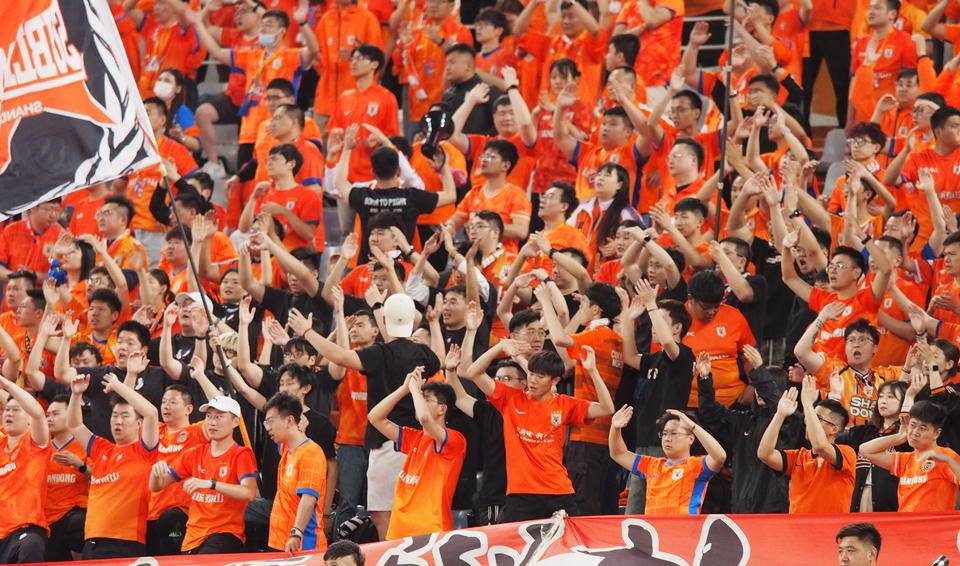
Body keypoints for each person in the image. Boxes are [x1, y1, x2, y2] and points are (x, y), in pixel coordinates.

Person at [287, 293, 440, 541]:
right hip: (417, 442)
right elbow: (439, 360)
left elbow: (341, 357)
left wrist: (307, 332)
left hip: (388, 442)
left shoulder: (380, 353)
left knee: (382, 514)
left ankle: (390, 555)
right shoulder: (421, 352)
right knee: (407, 509)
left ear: (384, 321)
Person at [462, 347, 614, 522]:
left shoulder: (565, 404)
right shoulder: (510, 398)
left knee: (574, 537)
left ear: (555, 380)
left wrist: (593, 371)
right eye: (531, 374)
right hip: (521, 494)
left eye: (540, 376)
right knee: (510, 539)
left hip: (558, 491)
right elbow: (473, 372)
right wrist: (500, 348)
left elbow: (607, 408)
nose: (533, 380)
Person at [66, 370, 160, 559]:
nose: (118, 421)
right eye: (115, 415)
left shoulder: (144, 451)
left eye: (125, 416)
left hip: (126, 543)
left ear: (139, 424)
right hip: (92, 542)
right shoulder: (102, 449)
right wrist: (76, 395)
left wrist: (118, 386)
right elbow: (74, 426)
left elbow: (151, 414)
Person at [148, 394, 259, 554]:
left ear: (235, 422)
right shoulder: (195, 453)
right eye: (209, 416)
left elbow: (249, 493)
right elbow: (157, 486)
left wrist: (211, 484)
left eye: (219, 417)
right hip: (192, 538)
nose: (212, 422)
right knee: (168, 531)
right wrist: (155, 472)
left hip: (225, 534)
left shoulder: (241, 454)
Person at [367, 367, 465, 539]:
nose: (418, 401)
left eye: (426, 399)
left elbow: (425, 419)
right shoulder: (414, 437)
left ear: (442, 409)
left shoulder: (455, 440)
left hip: (431, 531)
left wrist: (415, 390)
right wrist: (403, 389)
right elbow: (375, 417)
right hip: (398, 530)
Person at [757, 376, 856, 513]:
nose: (808, 421)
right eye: (810, 416)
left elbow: (820, 446)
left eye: (817, 418)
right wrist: (780, 415)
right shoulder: (798, 456)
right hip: (798, 526)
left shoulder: (847, 453)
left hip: (831, 526)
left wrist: (808, 404)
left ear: (834, 429)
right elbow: (764, 454)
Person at [609, 404, 726, 515]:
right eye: (664, 434)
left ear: (690, 439)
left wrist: (693, 426)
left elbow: (720, 456)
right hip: (654, 529)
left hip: (683, 528)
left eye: (674, 433)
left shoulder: (697, 465)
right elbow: (618, 454)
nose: (667, 439)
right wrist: (615, 428)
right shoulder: (651, 465)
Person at [860, 400, 960, 511]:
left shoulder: (946, 456)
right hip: (905, 521)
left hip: (933, 522)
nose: (915, 432)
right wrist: (899, 437)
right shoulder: (905, 459)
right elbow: (865, 450)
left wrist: (948, 460)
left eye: (923, 428)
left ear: (936, 433)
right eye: (913, 425)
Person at [264, 392, 329, 553]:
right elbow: (296, 434)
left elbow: (308, 499)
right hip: (279, 541)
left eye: (270, 421)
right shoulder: (287, 448)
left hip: (302, 543)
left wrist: (296, 533)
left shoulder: (311, 453)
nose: (268, 428)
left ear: (289, 420)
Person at [0, 375, 51, 564]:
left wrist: (7, 385)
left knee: (31, 545)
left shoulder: (35, 443)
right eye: (7, 410)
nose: (9, 413)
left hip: (25, 529)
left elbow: (38, 413)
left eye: (16, 410)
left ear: (29, 420)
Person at [43, 395, 89, 562]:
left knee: (78, 524)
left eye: (55, 414)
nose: (50, 419)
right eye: (47, 415)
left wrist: (79, 465)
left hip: (74, 512)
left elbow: (99, 477)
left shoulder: (86, 444)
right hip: (46, 517)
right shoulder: (42, 448)